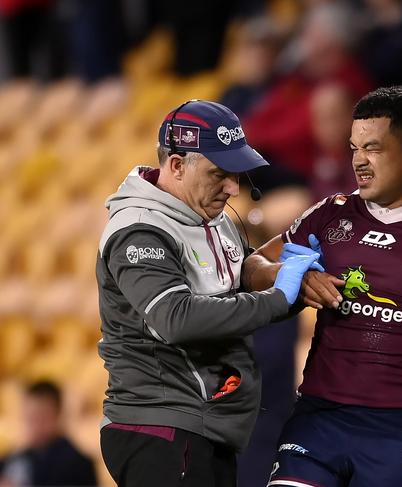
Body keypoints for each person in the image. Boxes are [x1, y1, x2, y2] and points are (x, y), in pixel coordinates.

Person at [243, 86, 402, 487]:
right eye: (354, 148)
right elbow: (251, 265)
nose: (359, 161)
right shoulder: (330, 214)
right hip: (318, 421)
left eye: (374, 148)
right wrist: (291, 275)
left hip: (399, 432)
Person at [96, 99, 322, 487]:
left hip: (204, 428)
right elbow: (176, 318)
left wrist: (295, 284)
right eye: (219, 174)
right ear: (178, 165)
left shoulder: (211, 218)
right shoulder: (139, 230)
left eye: (236, 174)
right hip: (160, 427)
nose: (233, 188)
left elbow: (242, 282)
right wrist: (278, 297)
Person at [0, 380, 96, 487]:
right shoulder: (17, 457)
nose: (33, 425)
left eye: (40, 417)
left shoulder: (76, 464)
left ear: (58, 415)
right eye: (28, 417)